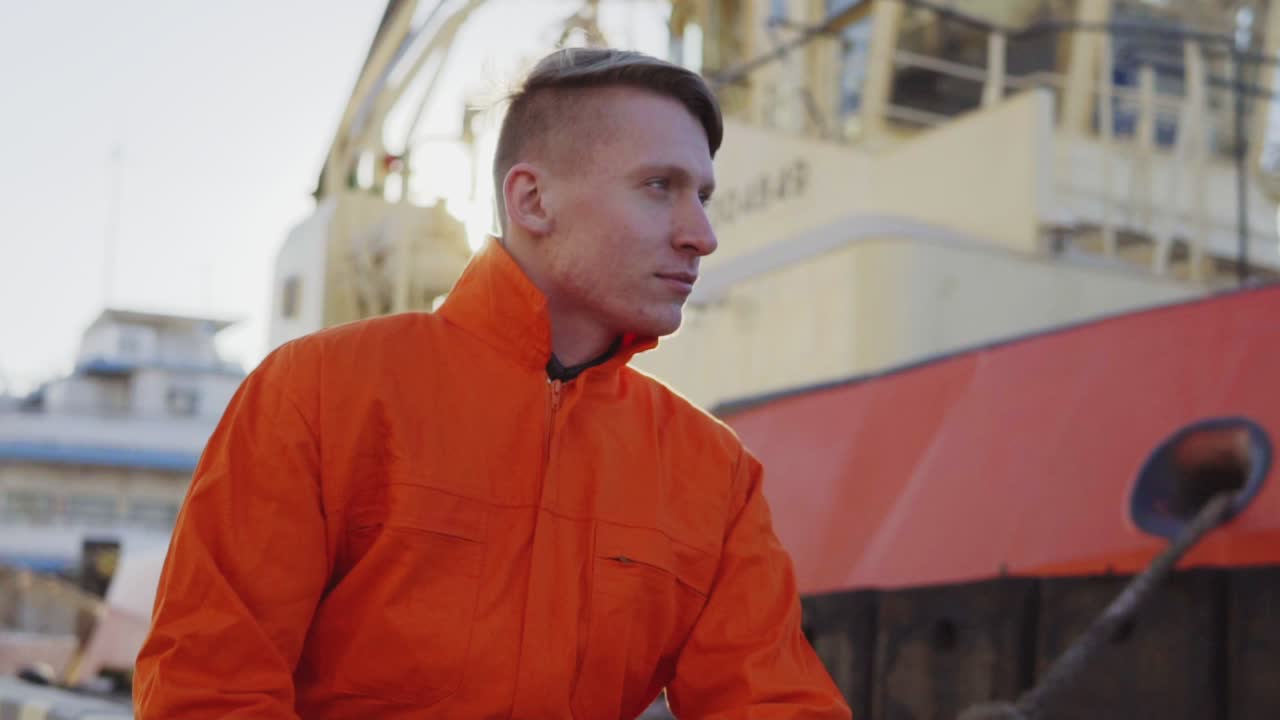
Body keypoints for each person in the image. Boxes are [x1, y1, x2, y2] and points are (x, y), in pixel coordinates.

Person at [134, 47, 851, 719]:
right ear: (532, 200)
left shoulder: (714, 472)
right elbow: (209, 688)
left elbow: (773, 701)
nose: (701, 232)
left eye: (704, 194)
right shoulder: (318, 394)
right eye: (660, 187)